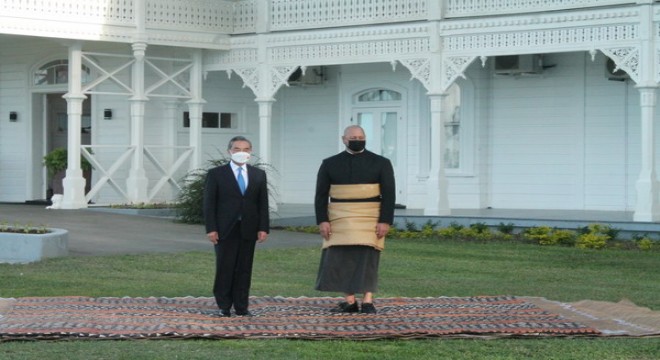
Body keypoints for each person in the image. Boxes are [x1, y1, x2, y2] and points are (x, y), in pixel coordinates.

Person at [314, 125, 395, 314]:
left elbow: (389, 195)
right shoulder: (329, 163)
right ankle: (349, 301)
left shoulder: (381, 163)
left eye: (361, 137)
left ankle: (368, 301)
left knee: (368, 257)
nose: (357, 140)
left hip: (370, 216)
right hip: (339, 216)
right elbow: (320, 195)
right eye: (353, 137)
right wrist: (323, 220)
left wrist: (385, 220)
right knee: (339, 258)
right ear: (344, 139)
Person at [203, 136, 269, 317]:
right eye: (237, 148)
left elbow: (262, 203)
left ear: (251, 151)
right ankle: (224, 305)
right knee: (225, 266)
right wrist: (211, 228)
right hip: (225, 228)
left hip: (248, 227)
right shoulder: (216, 174)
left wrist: (263, 227)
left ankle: (242, 306)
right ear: (229, 151)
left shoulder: (258, 174)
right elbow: (209, 204)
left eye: (246, 149)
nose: (242, 152)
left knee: (244, 268)